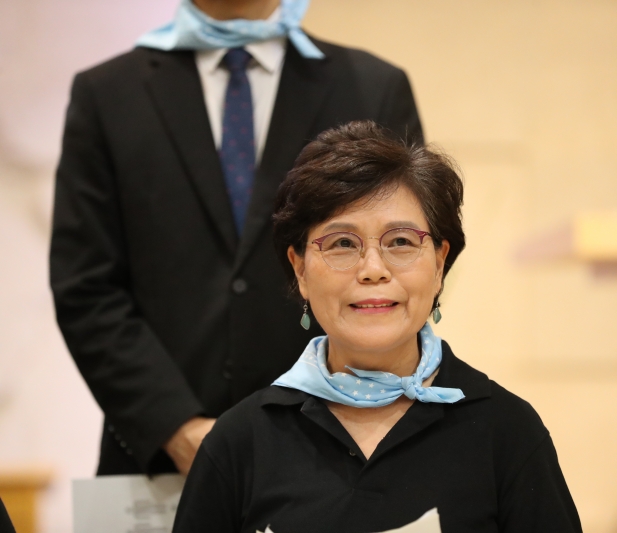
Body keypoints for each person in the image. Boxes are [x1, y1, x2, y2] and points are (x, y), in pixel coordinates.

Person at [49, 0, 423, 476]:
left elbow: (402, 263)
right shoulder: (107, 94)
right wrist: (175, 427)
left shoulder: (372, 86)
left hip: (340, 449)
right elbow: (85, 286)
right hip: (161, 463)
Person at [172, 121, 582, 532]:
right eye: (342, 243)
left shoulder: (507, 432)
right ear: (300, 269)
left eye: (401, 241)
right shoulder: (239, 442)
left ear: (439, 264)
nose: (373, 269)